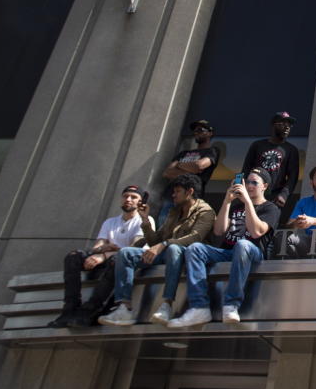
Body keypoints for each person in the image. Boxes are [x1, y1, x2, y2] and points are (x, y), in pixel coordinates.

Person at [167, 168, 280, 327]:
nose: (249, 185)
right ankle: (199, 307)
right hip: (229, 252)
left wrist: (247, 201)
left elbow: (256, 232)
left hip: (252, 253)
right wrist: (227, 201)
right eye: (247, 182)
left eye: (254, 182)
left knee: (243, 244)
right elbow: (219, 230)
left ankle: (231, 304)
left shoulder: (270, 208)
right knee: (195, 249)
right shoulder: (235, 207)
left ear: (265, 186)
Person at [99, 174, 215, 326]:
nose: (173, 195)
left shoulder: (206, 211)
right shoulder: (174, 212)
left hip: (188, 257)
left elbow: (195, 237)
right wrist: (145, 220)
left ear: (189, 192)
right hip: (166, 254)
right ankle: (124, 308)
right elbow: (156, 240)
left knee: (173, 248)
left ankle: (166, 304)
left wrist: (163, 245)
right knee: (125, 253)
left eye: (177, 191)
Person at [47, 185, 153, 328]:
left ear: (141, 202)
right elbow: (97, 247)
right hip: (108, 258)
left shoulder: (145, 220)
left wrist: (105, 254)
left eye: (133, 197)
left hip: (128, 262)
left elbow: (132, 249)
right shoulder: (110, 222)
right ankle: (70, 309)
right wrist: (103, 250)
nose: (128, 199)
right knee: (73, 256)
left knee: (117, 259)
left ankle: (89, 310)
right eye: (125, 196)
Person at [158, 119, 220, 223]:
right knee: (163, 226)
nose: (196, 133)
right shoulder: (184, 153)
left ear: (210, 133)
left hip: (189, 198)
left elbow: (199, 166)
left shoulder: (212, 151)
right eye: (195, 131)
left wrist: (179, 165)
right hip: (170, 196)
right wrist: (191, 172)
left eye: (200, 130)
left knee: (181, 229)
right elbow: (167, 172)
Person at [241, 111, 299, 209]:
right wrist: (238, 186)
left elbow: (293, 176)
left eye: (289, 124)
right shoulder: (257, 145)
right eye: (283, 123)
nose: (287, 127)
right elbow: (245, 168)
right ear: (273, 125)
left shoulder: (291, 150)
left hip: (275, 197)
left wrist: (284, 195)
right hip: (253, 193)